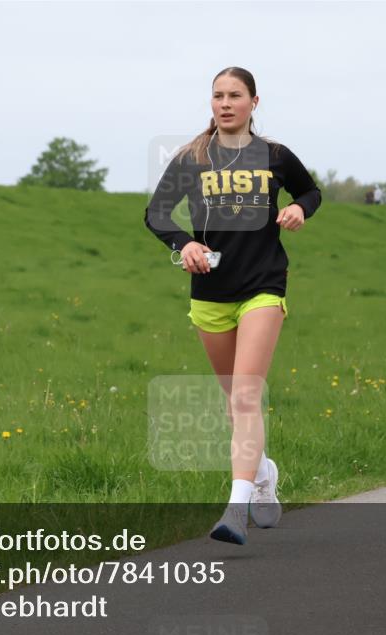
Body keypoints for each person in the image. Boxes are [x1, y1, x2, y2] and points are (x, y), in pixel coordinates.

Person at [144, 66, 322, 545]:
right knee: (233, 403)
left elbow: (310, 190)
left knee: (245, 396)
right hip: (211, 292)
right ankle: (263, 473)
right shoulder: (192, 158)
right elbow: (156, 213)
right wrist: (184, 244)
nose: (225, 103)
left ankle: (235, 509)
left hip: (263, 285)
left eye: (235, 95)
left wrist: (299, 208)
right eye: (218, 95)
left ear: (253, 103)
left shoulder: (275, 156)